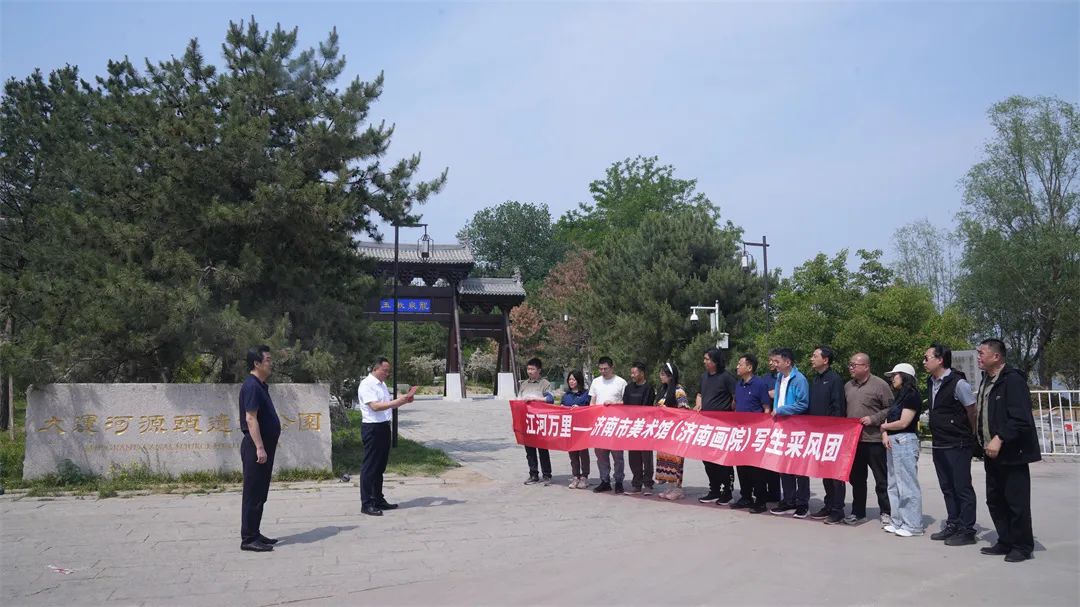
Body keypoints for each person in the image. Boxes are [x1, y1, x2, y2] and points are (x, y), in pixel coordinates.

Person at [975, 339, 1041, 562]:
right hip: (991, 452)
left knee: (1016, 502)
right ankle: (1005, 540)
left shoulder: (1012, 381)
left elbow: (1021, 419)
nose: (978, 357)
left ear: (996, 356)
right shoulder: (988, 380)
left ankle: (1022, 546)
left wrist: (1000, 437)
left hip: (1012, 452)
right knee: (995, 499)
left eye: (981, 353)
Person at [924, 343, 979, 546]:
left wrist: (969, 434)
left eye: (927, 357)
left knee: (961, 487)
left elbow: (971, 410)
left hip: (958, 443)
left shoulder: (958, 383)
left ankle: (967, 530)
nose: (924, 361)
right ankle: (953, 523)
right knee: (947, 487)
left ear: (940, 360)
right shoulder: (931, 382)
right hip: (940, 442)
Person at [356, 357, 418, 516]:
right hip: (372, 428)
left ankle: (378, 499)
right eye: (385, 370)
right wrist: (398, 401)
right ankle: (367, 503)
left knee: (380, 466)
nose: (387, 374)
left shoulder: (381, 384)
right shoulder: (367, 385)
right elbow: (375, 406)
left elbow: (387, 404)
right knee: (370, 466)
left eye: (388, 371)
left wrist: (404, 401)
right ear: (375, 369)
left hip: (384, 426)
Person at [844, 352, 895, 526]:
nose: (850, 368)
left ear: (866, 366)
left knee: (881, 479)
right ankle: (858, 512)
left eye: (854, 365)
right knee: (857, 479)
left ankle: (886, 511)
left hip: (874, 440)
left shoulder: (880, 385)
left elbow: (891, 409)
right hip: (855, 441)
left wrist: (873, 419)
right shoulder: (848, 386)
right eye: (850, 365)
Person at [239, 345, 281, 552]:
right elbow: (250, 418)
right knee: (253, 493)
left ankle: (255, 532)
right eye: (267, 360)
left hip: (263, 447)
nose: (270, 363)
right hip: (256, 448)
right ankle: (248, 538)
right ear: (256, 363)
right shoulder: (252, 386)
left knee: (260, 493)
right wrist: (260, 448)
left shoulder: (261, 385)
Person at [880, 363, 924, 537]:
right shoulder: (899, 396)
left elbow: (904, 422)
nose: (892, 379)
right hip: (893, 441)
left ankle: (913, 525)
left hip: (905, 440)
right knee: (893, 484)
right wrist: (885, 433)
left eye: (895, 375)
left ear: (904, 376)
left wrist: (884, 426)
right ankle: (897, 520)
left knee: (907, 484)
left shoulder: (912, 395)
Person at [769, 348, 811, 519]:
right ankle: (788, 500)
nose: (774, 364)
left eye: (777, 361)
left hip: (797, 428)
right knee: (784, 466)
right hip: (781, 427)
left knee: (799, 467)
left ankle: (802, 504)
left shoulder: (799, 379)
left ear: (787, 362)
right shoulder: (780, 378)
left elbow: (803, 404)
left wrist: (781, 410)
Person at [808, 346, 847, 525]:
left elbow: (838, 407)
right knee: (825, 472)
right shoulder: (815, 379)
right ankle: (828, 505)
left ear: (826, 360)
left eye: (815, 356)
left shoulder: (834, 380)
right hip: (817, 434)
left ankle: (838, 510)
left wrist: (834, 431)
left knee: (835, 474)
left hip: (832, 434)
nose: (811, 359)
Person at [695, 348, 738, 505]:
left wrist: (728, 411)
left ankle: (727, 491)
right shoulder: (704, 377)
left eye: (708, 359)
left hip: (722, 426)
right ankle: (714, 489)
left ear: (716, 361)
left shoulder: (726, 377)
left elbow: (735, 397)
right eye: (705, 359)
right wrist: (699, 404)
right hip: (706, 425)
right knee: (707, 460)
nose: (705, 361)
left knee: (722, 460)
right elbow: (699, 394)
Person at [731, 353, 773, 513]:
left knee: (756, 469)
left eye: (740, 364)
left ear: (749, 367)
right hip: (740, 433)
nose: (737, 367)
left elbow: (766, 409)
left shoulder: (759, 384)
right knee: (741, 467)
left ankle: (760, 500)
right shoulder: (738, 384)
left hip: (756, 433)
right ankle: (745, 497)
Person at [589, 356, 628, 494]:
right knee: (601, 455)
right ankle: (604, 480)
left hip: (615, 424)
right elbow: (592, 401)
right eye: (600, 369)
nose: (603, 371)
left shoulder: (621, 382)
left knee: (617, 455)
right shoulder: (595, 382)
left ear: (612, 367)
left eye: (605, 369)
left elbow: (627, 403)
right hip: (600, 424)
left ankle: (618, 481)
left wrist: (614, 403)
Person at [655, 362, 690, 501]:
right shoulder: (663, 390)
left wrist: (670, 414)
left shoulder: (678, 390)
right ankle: (669, 486)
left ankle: (678, 488)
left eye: (663, 374)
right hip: (663, 432)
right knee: (665, 460)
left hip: (675, 432)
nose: (660, 377)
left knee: (676, 461)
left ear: (671, 376)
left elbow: (684, 410)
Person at [518, 357, 555, 486]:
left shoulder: (545, 383)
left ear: (539, 370)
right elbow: (519, 400)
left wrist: (536, 399)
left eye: (532, 369)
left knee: (543, 449)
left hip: (540, 421)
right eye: (528, 369)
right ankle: (533, 474)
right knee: (529, 450)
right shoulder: (524, 384)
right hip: (527, 421)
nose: (530, 371)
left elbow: (550, 399)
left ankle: (547, 475)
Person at [623, 362, 657, 495]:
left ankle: (648, 483)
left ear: (642, 373)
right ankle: (636, 483)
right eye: (631, 373)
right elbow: (625, 405)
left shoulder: (648, 388)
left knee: (646, 457)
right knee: (633, 456)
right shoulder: (629, 388)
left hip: (645, 426)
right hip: (632, 426)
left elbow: (646, 406)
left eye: (634, 373)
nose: (632, 375)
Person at [561, 370, 592, 489]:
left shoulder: (586, 394)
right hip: (569, 427)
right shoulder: (566, 395)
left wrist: (580, 409)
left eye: (573, 379)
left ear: (579, 380)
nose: (571, 382)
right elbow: (561, 408)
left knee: (583, 453)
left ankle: (584, 476)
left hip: (582, 427)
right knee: (572, 453)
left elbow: (590, 409)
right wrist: (563, 408)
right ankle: (575, 476)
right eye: (569, 380)